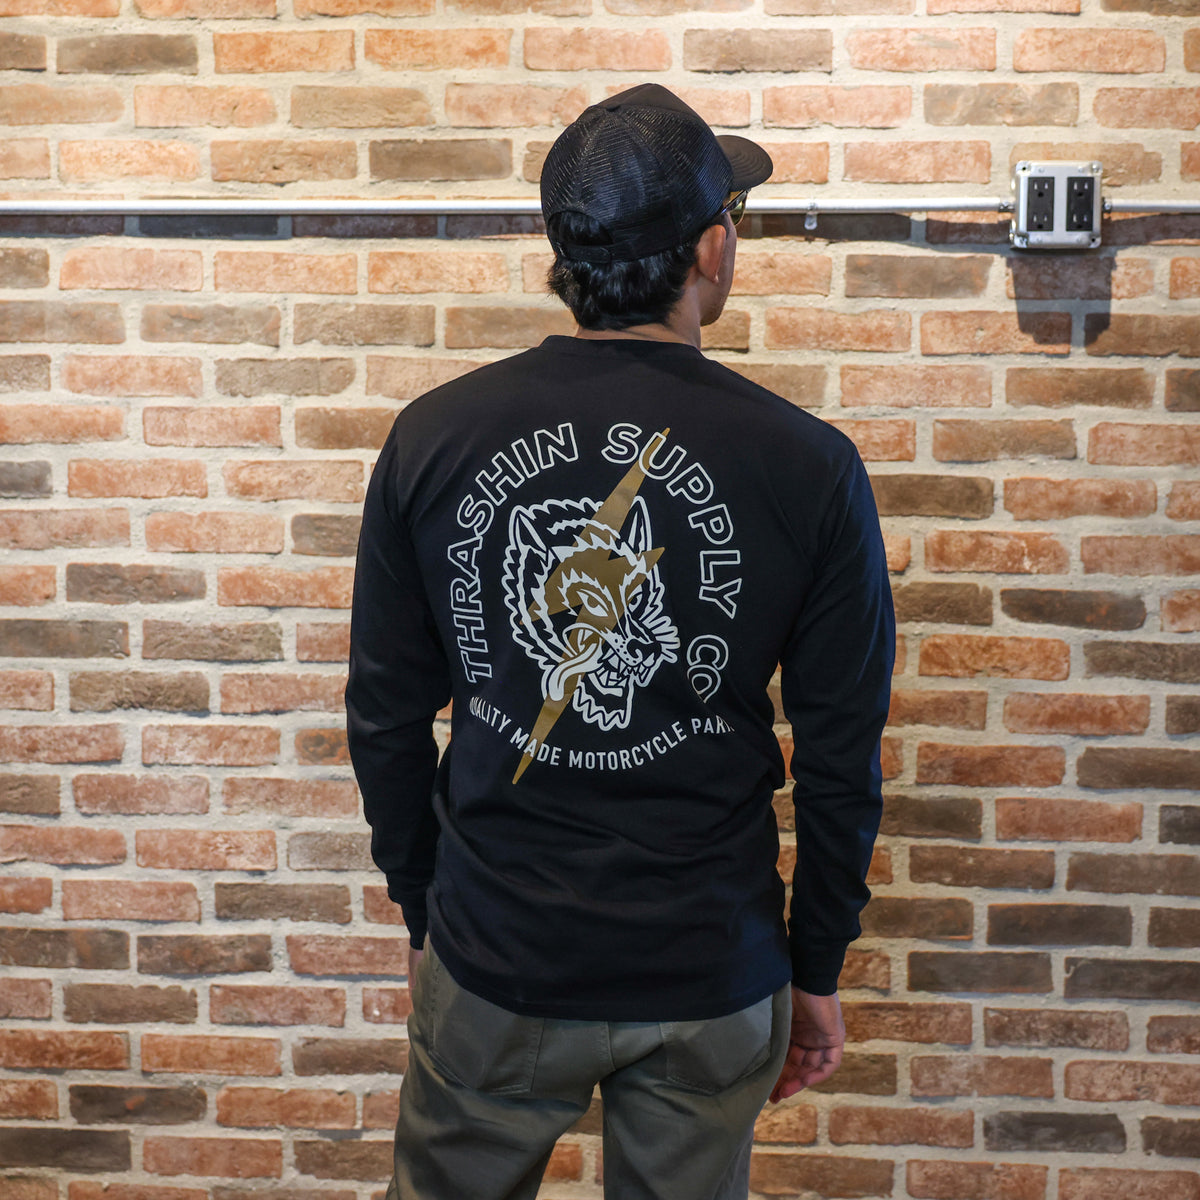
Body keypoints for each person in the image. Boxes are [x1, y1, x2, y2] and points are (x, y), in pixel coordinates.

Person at [345, 82, 895, 1200]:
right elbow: (842, 756)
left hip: (496, 955)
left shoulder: (434, 437)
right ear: (711, 249)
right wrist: (816, 965)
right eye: (733, 217)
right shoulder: (808, 463)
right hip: (710, 966)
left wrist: (424, 912)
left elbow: (385, 715)